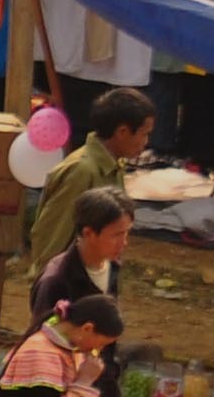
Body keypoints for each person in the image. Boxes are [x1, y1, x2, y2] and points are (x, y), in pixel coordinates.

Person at [25, 88, 149, 276]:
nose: (146, 142)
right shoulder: (82, 171)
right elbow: (52, 234)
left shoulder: (113, 166)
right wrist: (50, 287)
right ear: (122, 132)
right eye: (144, 134)